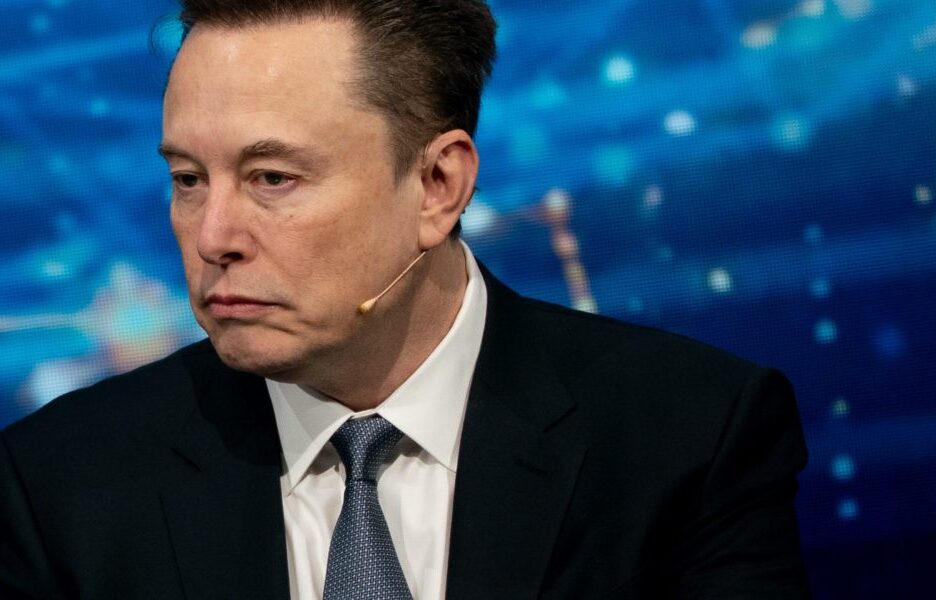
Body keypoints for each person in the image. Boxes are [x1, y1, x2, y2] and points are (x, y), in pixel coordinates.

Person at [0, 1, 811, 598]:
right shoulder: (60, 486)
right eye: (187, 180)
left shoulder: (689, 438)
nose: (213, 236)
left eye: (272, 178)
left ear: (437, 185)